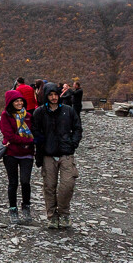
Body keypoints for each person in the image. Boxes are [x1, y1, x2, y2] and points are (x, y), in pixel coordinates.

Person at [32, 82, 82, 229]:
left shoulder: (68, 110)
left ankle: (64, 212)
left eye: (55, 94)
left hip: (66, 153)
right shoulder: (40, 112)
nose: (53, 97)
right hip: (48, 154)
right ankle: (52, 216)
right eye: (50, 95)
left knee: (67, 185)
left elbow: (77, 128)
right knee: (49, 186)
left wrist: (73, 143)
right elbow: (35, 130)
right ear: (46, 96)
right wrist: (41, 144)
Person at [0, 89, 36, 224]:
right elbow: (9, 136)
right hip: (11, 153)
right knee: (13, 182)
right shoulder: (5, 116)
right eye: (16, 101)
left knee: (25, 182)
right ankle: (13, 209)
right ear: (10, 103)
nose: (19, 103)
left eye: (21, 101)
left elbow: (35, 131)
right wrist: (29, 141)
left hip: (27, 154)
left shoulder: (29, 116)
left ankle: (26, 207)